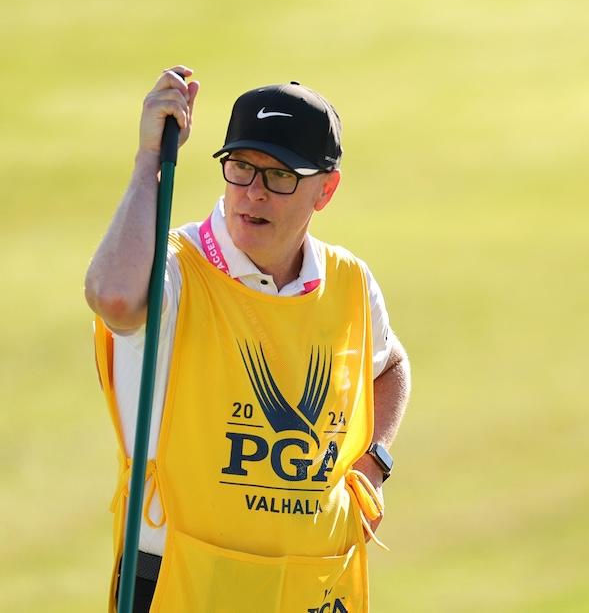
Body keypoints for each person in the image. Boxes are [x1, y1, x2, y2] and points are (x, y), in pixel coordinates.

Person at [85, 66, 410, 612]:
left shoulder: (349, 280)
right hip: (178, 583)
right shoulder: (172, 268)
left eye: (279, 176)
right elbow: (114, 298)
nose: (253, 193)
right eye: (240, 168)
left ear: (325, 190)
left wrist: (374, 462)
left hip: (309, 588)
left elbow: (390, 365)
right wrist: (148, 164)